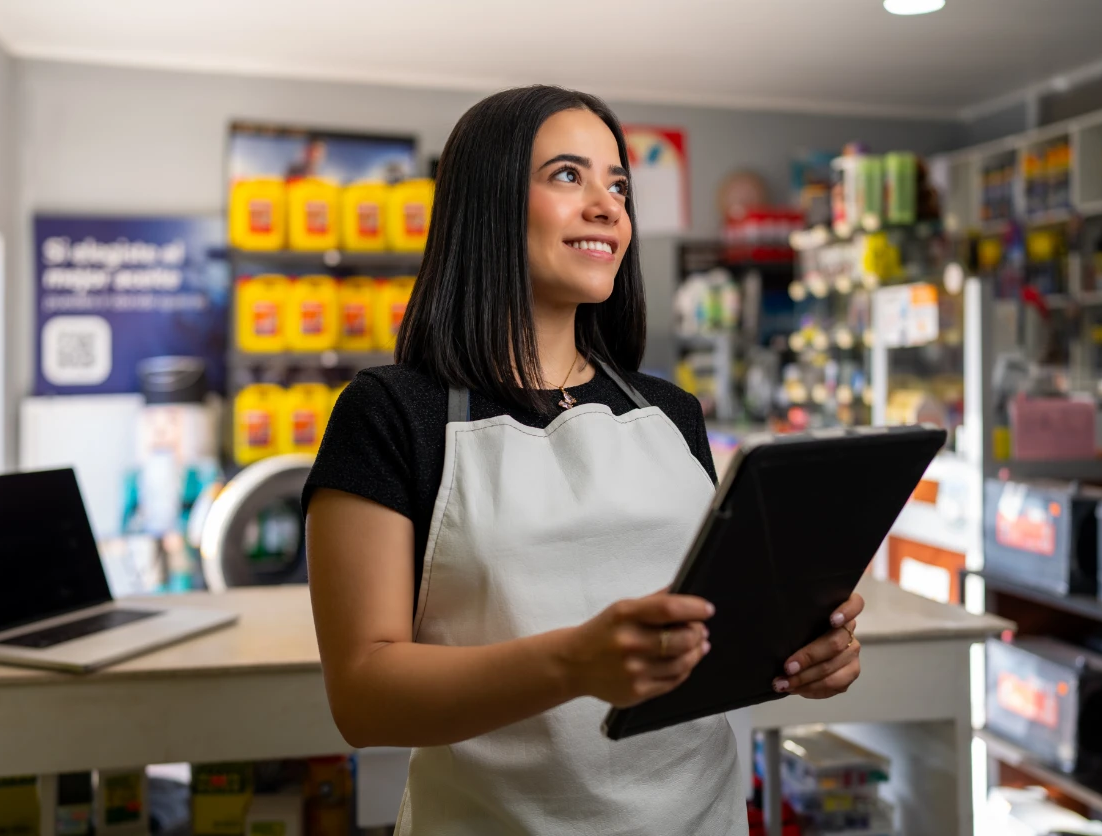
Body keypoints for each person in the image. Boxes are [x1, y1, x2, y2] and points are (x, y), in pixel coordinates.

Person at [303, 85, 864, 835]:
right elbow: (364, 696)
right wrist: (574, 665)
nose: (607, 206)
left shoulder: (671, 413)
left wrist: (795, 650)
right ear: (490, 201)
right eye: (568, 175)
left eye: (618, 184)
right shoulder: (391, 414)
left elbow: (703, 632)